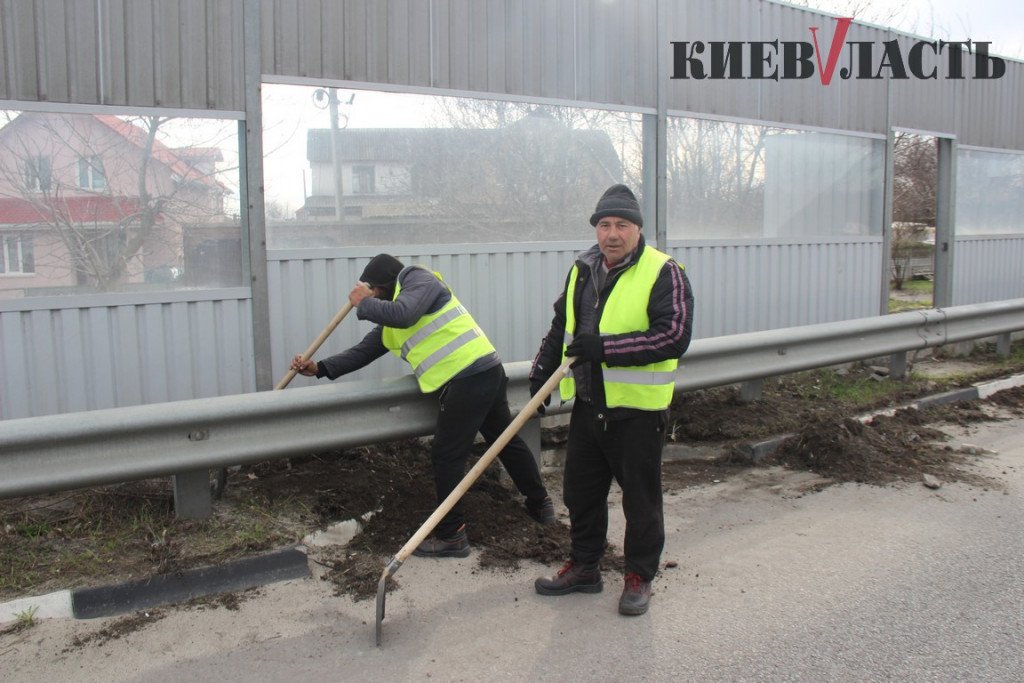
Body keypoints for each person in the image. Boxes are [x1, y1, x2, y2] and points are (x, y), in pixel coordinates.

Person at [290, 253, 556, 558]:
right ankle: (541, 505)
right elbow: (362, 352)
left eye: (376, 289)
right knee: (506, 441)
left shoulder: (418, 279)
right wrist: (320, 368)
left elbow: (404, 313)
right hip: (481, 373)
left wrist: (364, 303)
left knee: (446, 456)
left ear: (390, 282)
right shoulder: (391, 325)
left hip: (469, 376)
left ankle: (452, 535)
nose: (375, 295)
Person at [529, 184, 694, 616]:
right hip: (588, 405)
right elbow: (560, 327)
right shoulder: (581, 270)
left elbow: (673, 336)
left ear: (638, 230)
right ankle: (585, 567)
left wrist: (606, 347)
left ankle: (639, 576)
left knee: (640, 501)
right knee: (580, 494)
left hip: (637, 412)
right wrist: (541, 374)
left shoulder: (664, 271)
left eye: (622, 224)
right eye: (604, 224)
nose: (612, 234)